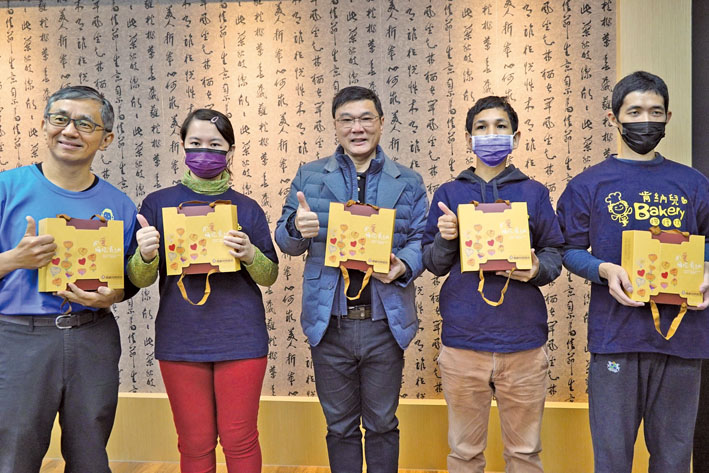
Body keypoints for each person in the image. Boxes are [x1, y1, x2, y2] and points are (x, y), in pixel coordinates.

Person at [557, 71, 709, 473]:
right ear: (614, 118)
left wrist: (707, 270)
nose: (646, 120)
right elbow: (568, 250)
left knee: (674, 459)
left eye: (655, 112)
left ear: (668, 117)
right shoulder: (588, 184)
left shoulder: (694, 183)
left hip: (683, 340)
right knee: (612, 458)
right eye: (636, 111)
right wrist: (603, 269)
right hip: (615, 338)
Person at [275, 86, 428, 473]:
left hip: (383, 323)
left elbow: (421, 240)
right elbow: (285, 241)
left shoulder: (409, 181)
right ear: (335, 126)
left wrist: (403, 266)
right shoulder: (310, 176)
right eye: (347, 120)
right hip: (330, 323)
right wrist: (297, 227)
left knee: (382, 424)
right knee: (340, 427)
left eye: (365, 119)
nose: (356, 128)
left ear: (381, 123)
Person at [127, 108, 278, 473]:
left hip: (240, 338)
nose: (204, 152)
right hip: (181, 337)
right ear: (182, 146)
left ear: (230, 151)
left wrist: (249, 254)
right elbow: (140, 278)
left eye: (215, 145)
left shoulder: (247, 208)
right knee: (194, 442)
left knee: (240, 439)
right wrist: (145, 255)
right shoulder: (157, 204)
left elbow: (269, 274)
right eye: (195, 143)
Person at [0, 85, 138, 473]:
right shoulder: (7, 188)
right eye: (60, 119)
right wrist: (13, 259)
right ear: (44, 125)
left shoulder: (119, 204)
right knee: (14, 453)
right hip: (18, 337)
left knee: (90, 453)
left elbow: (127, 279)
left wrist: (113, 296)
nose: (70, 130)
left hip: (93, 335)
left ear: (106, 139)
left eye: (85, 124)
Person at [422, 96, 564, 473]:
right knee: (464, 452)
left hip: (523, 343)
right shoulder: (449, 194)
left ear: (515, 137)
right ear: (469, 138)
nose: (491, 134)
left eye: (500, 126)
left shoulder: (534, 192)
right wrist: (446, 238)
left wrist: (537, 269)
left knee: (525, 452)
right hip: (463, 343)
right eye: (481, 127)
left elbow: (555, 252)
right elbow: (432, 263)